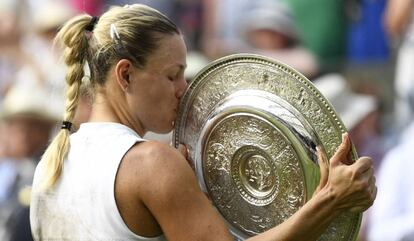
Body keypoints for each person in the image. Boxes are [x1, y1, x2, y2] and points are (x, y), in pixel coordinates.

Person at [30, 4, 377, 241]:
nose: (184, 90)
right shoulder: (151, 163)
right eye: (172, 76)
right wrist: (329, 200)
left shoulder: (51, 162)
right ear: (126, 75)